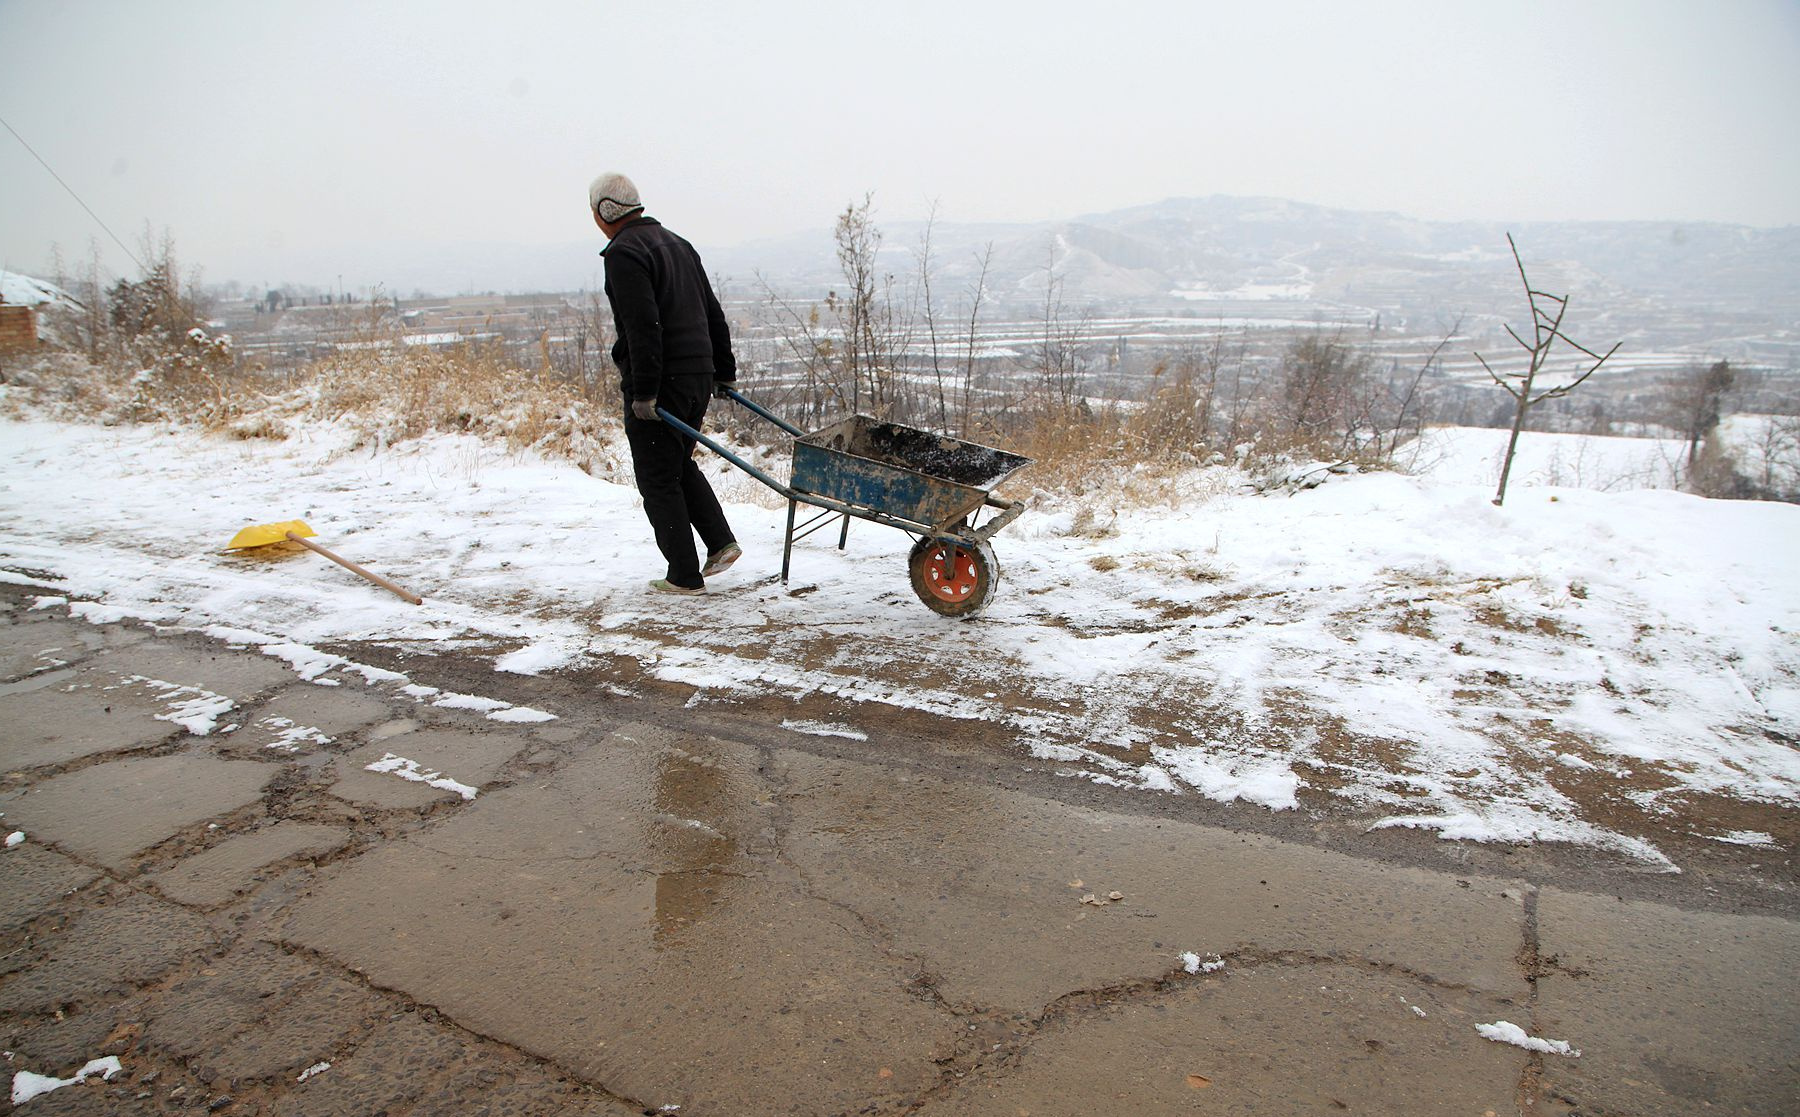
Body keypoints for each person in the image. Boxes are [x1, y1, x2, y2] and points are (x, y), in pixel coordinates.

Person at [589, 172, 741, 595]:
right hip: (697, 374)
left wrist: (643, 392)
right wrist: (722, 370)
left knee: (657, 476)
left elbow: (642, 326)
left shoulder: (624, 252)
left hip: (663, 377)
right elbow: (712, 311)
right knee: (677, 462)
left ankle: (683, 575)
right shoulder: (677, 243)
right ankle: (720, 542)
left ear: (604, 211)